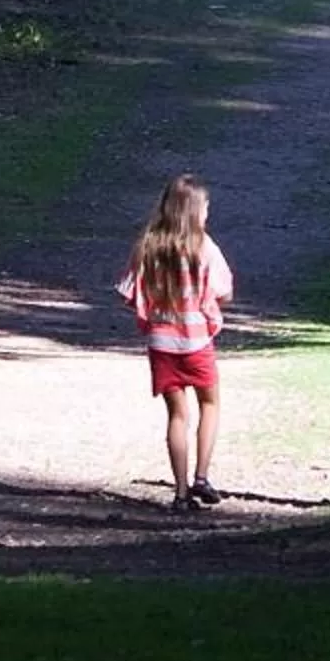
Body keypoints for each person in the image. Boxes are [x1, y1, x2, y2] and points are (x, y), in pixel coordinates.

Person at [117, 174, 233, 514]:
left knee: (177, 415)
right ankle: (202, 475)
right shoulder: (205, 247)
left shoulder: (149, 246)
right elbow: (224, 291)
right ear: (196, 212)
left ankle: (180, 492)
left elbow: (129, 292)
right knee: (210, 403)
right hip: (197, 341)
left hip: (161, 343)